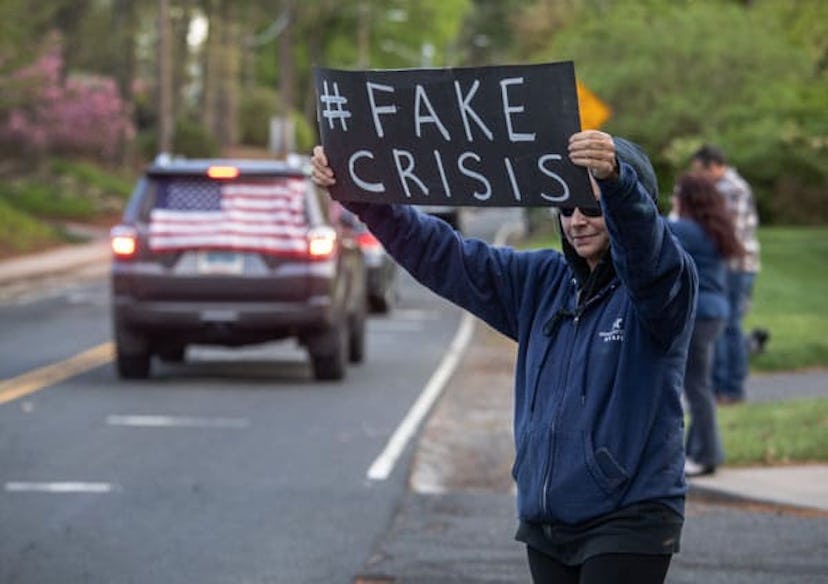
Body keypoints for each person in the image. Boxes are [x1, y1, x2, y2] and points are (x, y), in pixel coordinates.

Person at [312, 130, 698, 584]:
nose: (577, 221)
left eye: (592, 208)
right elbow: (443, 254)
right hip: (546, 521)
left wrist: (616, 184)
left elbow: (646, 251)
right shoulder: (540, 281)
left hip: (629, 517)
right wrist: (365, 198)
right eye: (566, 207)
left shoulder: (662, 290)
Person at [669, 173, 745, 477]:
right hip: (716, 312)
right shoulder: (713, 229)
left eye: (677, 194)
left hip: (698, 314)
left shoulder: (686, 229)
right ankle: (695, 451)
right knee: (701, 385)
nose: (673, 198)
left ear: (688, 199)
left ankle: (707, 455)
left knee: (697, 387)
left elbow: (645, 226)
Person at [691, 145, 760, 404]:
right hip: (722, 267)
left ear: (714, 166)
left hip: (736, 268)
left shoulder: (734, 189)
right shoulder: (720, 188)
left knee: (729, 326)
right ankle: (721, 388)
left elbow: (730, 235)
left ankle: (732, 389)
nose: (698, 176)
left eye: (700, 170)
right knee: (724, 326)